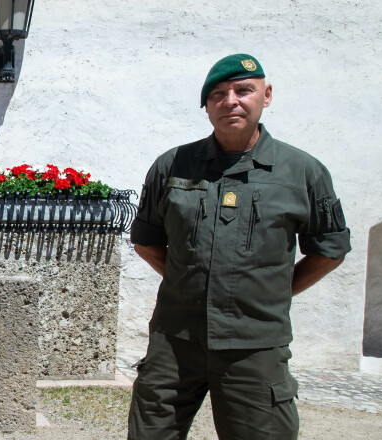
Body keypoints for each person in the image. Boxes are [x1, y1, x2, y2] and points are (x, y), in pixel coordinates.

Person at [127, 54, 351, 439]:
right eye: (217, 94)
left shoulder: (303, 172)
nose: (229, 100)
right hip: (175, 340)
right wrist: (194, 282)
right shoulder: (172, 165)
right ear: (207, 106)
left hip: (255, 345)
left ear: (266, 95)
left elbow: (329, 250)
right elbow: (147, 242)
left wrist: (278, 290)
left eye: (243, 90)